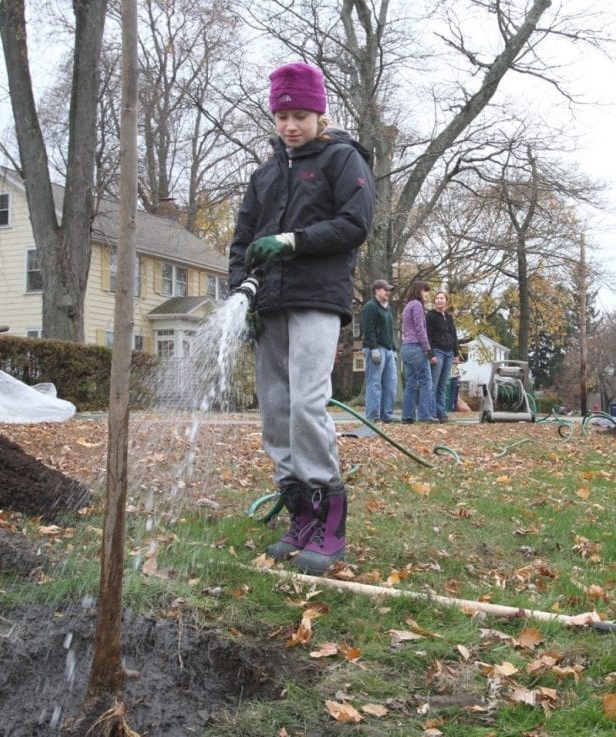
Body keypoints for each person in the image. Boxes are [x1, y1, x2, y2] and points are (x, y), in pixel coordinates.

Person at [227, 62, 374, 575]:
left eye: (301, 115)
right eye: (283, 115)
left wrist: (292, 241)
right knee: (275, 409)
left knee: (307, 403)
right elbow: (242, 242)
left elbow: (355, 224)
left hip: (317, 298)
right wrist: (238, 298)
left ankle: (331, 524)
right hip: (270, 303)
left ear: (320, 112)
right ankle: (300, 517)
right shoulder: (265, 174)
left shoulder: (342, 160)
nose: (291, 125)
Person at [361, 279, 397, 423]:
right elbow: (368, 329)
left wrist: (393, 348)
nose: (388, 292)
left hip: (388, 349)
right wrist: (373, 348)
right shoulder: (370, 307)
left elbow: (389, 331)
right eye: (385, 290)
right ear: (377, 291)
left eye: (388, 290)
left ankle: (386, 415)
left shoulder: (387, 308)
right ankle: (373, 416)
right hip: (375, 349)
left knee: (390, 383)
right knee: (374, 383)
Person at [400, 280, 437, 422]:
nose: (427, 294)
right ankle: (425, 415)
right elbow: (420, 329)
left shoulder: (407, 306)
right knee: (426, 381)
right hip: (416, 347)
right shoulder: (417, 305)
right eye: (425, 291)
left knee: (410, 383)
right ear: (418, 291)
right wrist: (428, 350)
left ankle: (407, 416)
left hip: (406, 348)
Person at [426, 290, 459, 422]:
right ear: (434, 301)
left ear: (446, 301)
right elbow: (428, 335)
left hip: (449, 352)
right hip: (437, 351)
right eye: (437, 298)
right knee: (434, 384)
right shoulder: (430, 316)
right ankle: (432, 412)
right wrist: (431, 354)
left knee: (443, 384)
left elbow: (454, 335)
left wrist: (456, 353)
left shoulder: (449, 317)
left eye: (442, 298)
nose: (439, 300)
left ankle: (442, 412)